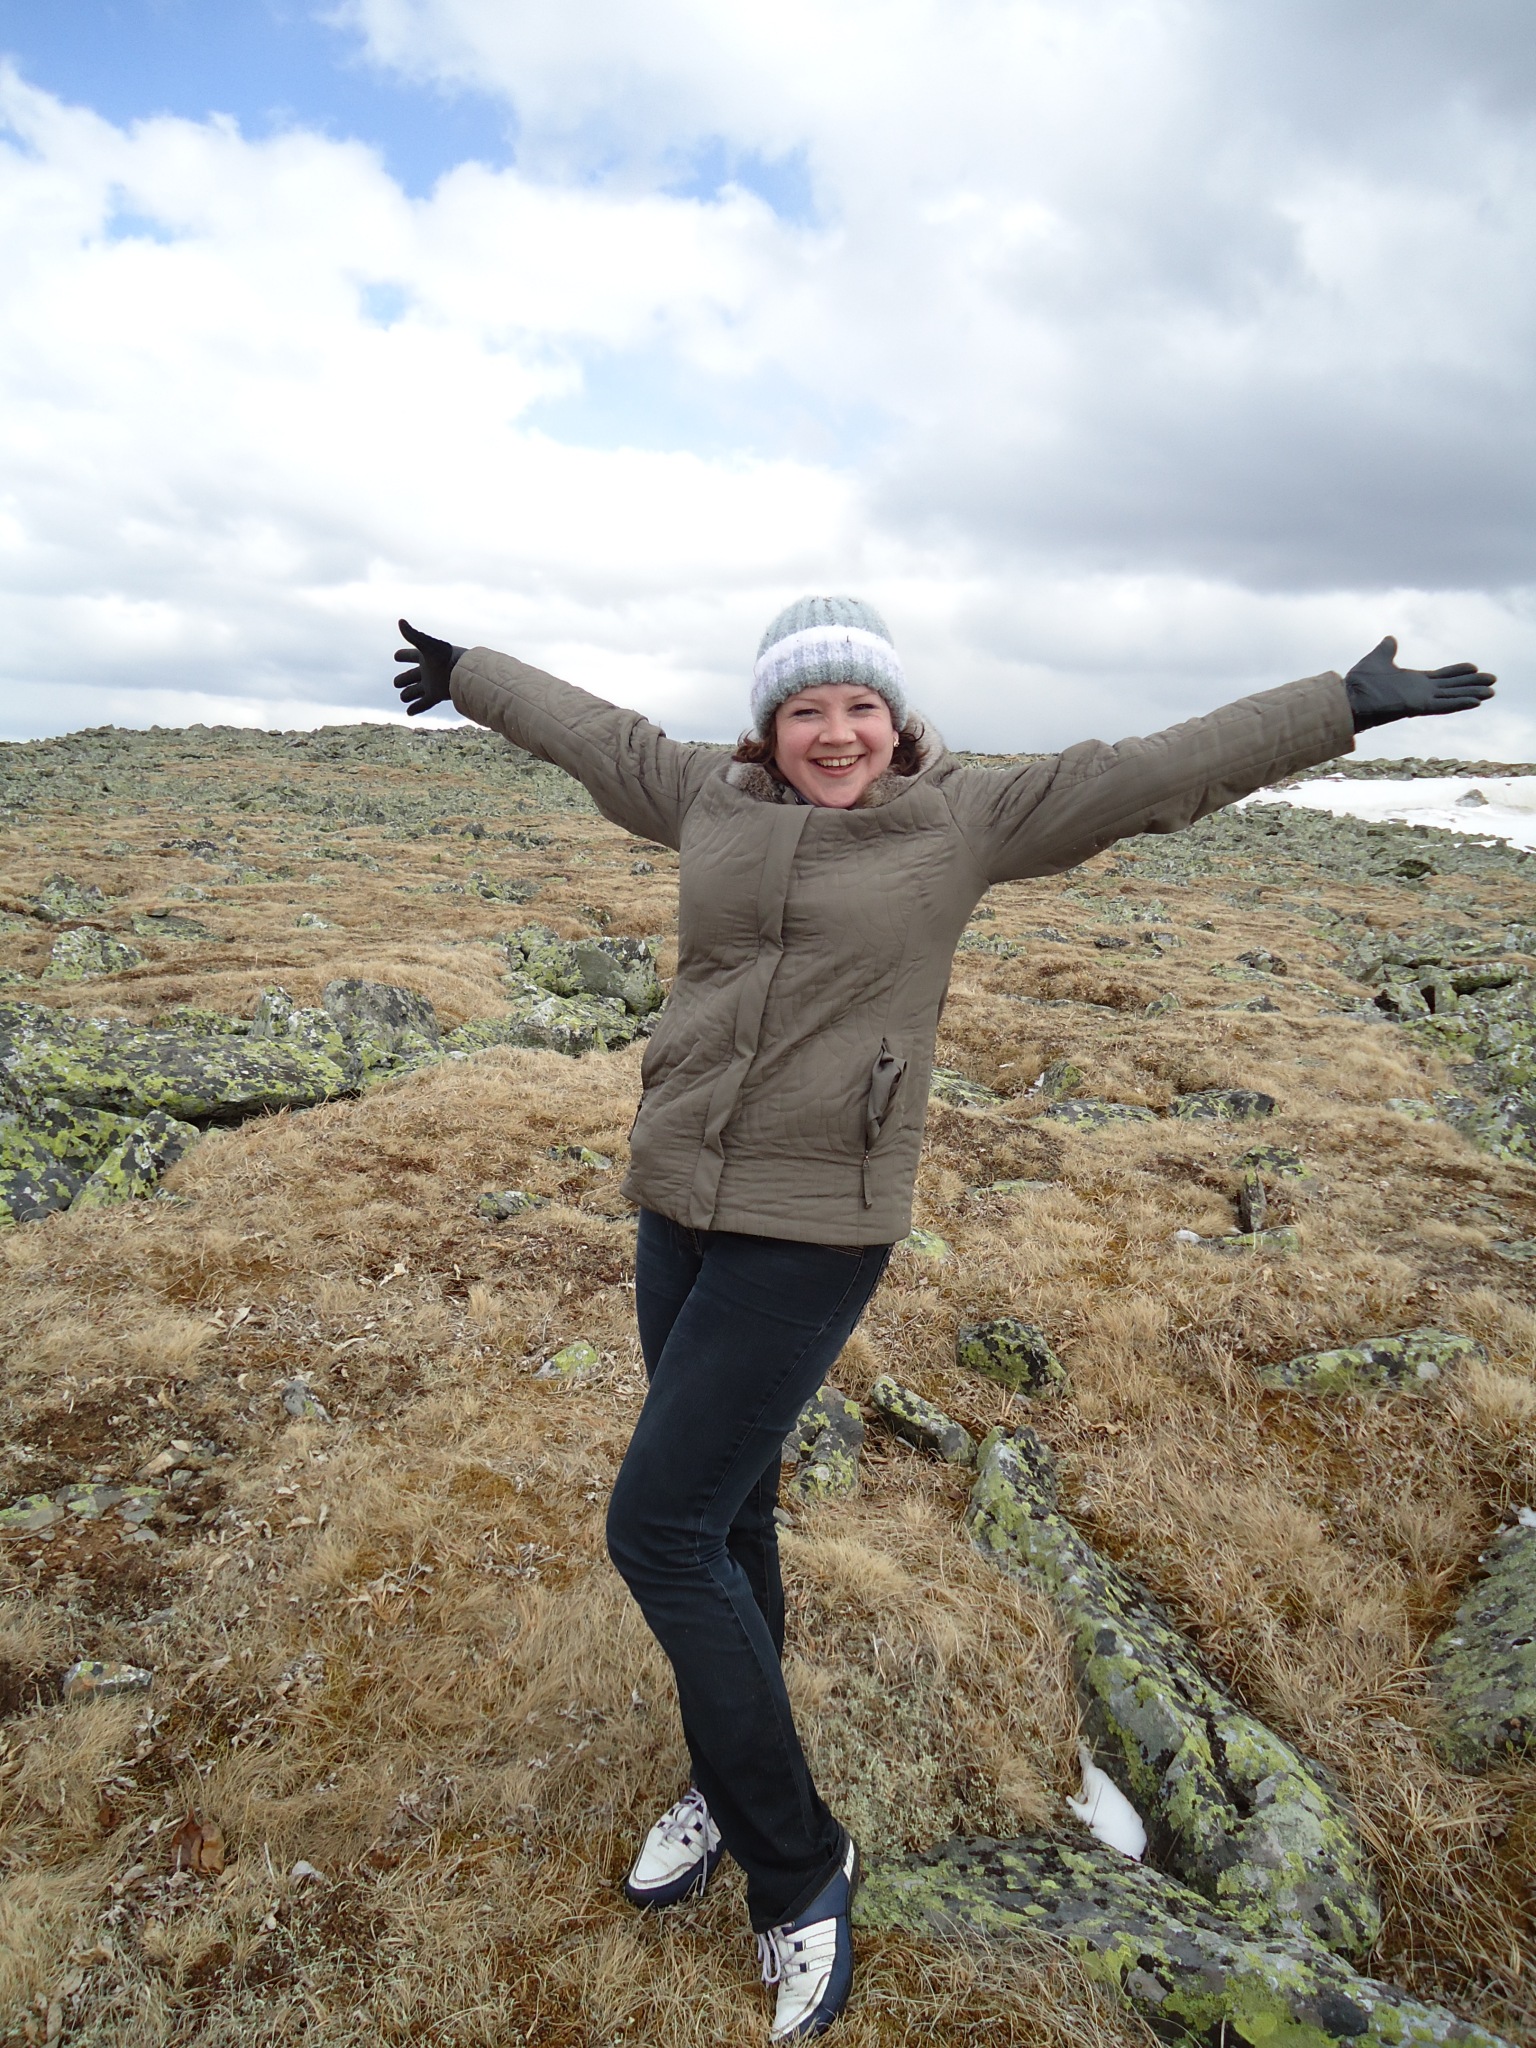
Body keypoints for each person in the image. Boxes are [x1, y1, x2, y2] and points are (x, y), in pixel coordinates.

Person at [391, 599, 1493, 2040]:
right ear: (769, 727)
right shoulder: (709, 800)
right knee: (725, 1515)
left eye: (860, 706)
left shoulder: (961, 820)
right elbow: (597, 735)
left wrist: (1337, 705)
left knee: (655, 1532)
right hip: (679, 1200)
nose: (836, 733)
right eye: (806, 710)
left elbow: (1146, 775)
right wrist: (471, 674)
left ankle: (799, 1868)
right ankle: (729, 1771)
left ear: (896, 719)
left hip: (815, 1224)